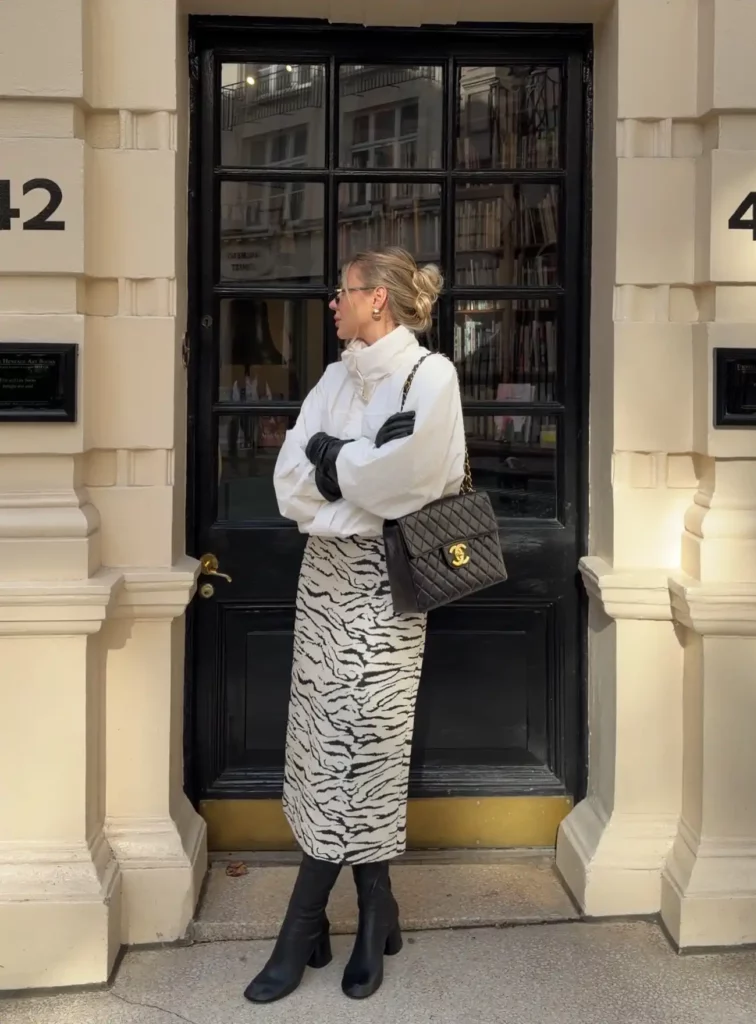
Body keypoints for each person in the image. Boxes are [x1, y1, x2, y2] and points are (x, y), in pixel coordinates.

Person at [244, 246, 466, 1004]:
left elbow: (406, 483)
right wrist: (351, 471)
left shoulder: (428, 376)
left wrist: (336, 462)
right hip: (324, 583)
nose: (331, 305)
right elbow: (287, 482)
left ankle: (304, 923)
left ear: (378, 299)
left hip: (387, 585)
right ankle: (378, 908)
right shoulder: (337, 376)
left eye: (341, 293)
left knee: (362, 747)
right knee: (318, 746)